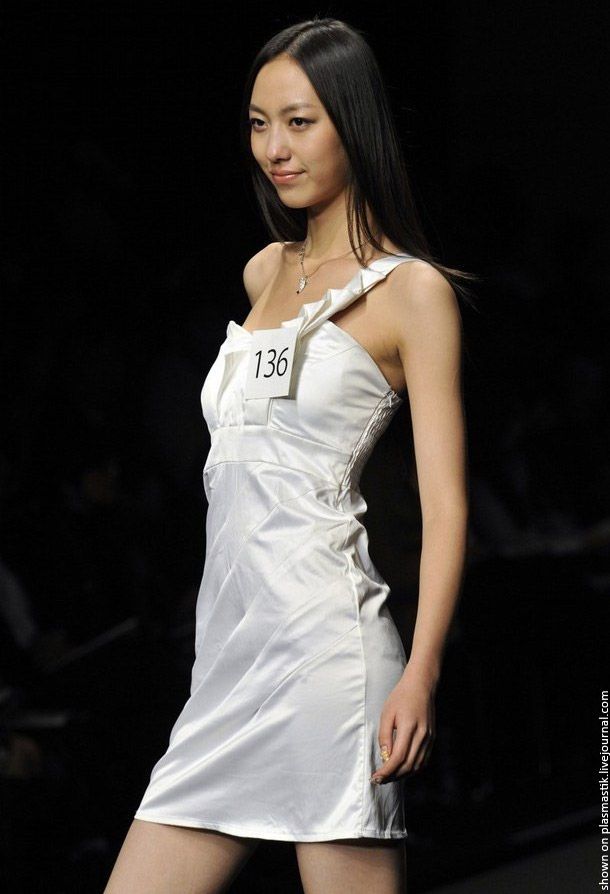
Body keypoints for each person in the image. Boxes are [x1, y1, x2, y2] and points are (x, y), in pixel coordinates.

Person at [104, 16, 473, 894]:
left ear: (355, 123)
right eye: (259, 123)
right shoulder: (263, 271)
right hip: (227, 666)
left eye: (300, 122)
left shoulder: (410, 291)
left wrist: (420, 674)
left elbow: (447, 506)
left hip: (326, 658)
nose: (275, 147)